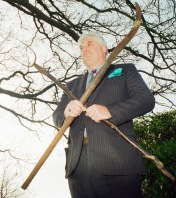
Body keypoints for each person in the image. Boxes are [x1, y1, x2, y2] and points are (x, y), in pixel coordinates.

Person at [52, 32, 155, 198]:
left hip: (118, 163)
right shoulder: (72, 85)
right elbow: (57, 118)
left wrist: (110, 111)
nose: (84, 49)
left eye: (89, 44)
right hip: (78, 168)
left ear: (104, 48)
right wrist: (66, 112)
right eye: (81, 47)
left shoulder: (124, 70)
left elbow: (145, 100)